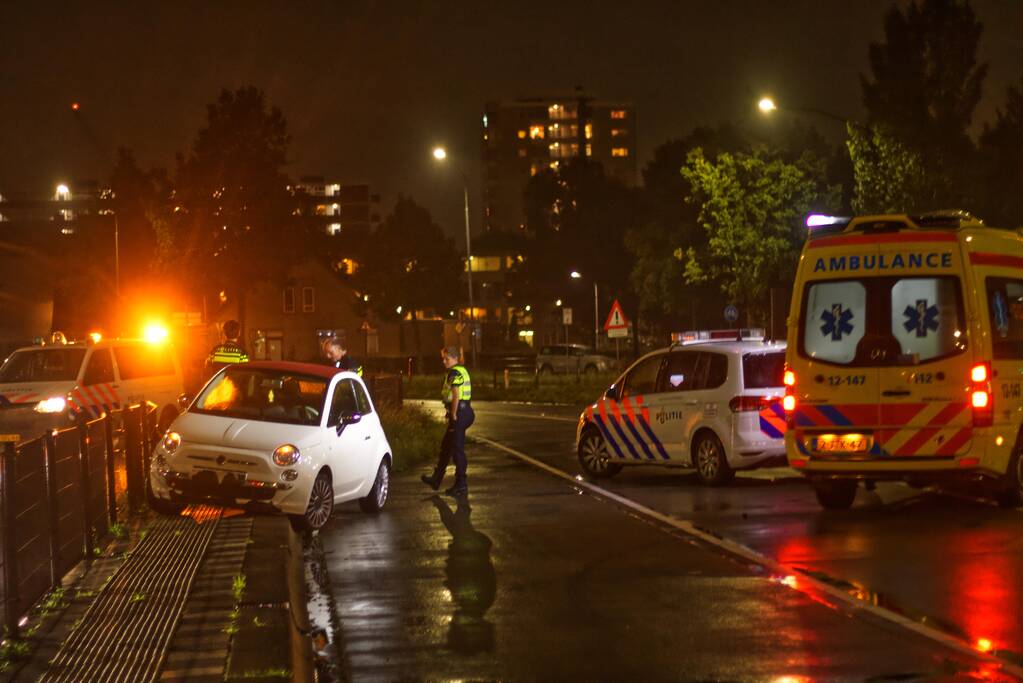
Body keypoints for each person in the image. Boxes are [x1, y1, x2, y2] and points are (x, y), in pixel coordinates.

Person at [422, 346, 474, 497]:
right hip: (464, 411)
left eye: (446, 359)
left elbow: (456, 394)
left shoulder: (454, 372)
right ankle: (437, 479)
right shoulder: (461, 369)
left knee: (457, 449)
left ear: (454, 358)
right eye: (443, 359)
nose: (444, 361)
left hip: (460, 412)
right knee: (447, 446)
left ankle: (461, 484)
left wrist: (453, 413)